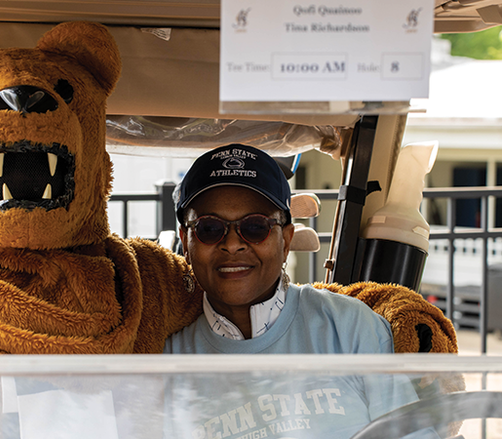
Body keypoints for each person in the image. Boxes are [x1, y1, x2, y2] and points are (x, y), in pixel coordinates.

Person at [162, 144, 435, 439]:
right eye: (209, 228)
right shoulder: (164, 359)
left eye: (255, 227)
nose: (232, 244)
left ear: (286, 241)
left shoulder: (351, 328)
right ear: (185, 242)